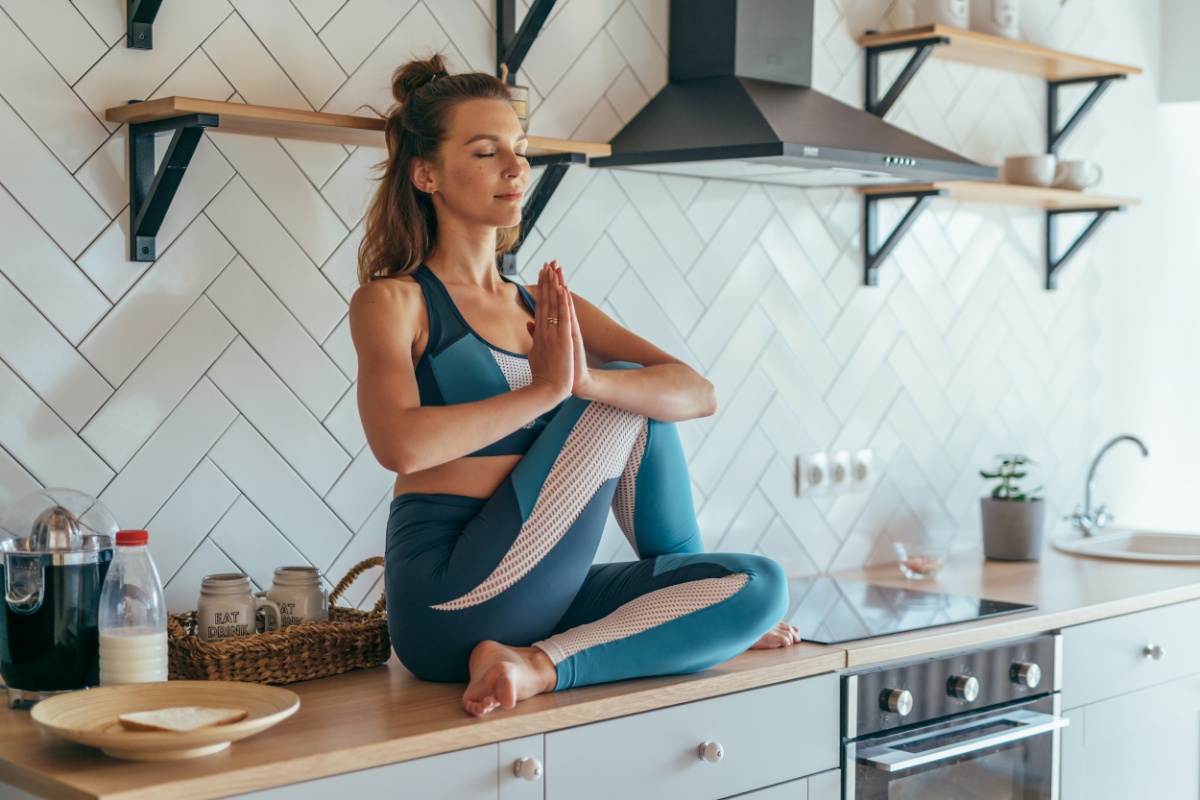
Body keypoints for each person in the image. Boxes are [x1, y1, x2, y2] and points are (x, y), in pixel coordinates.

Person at [349, 55, 800, 717]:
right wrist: (550, 390)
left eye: (520, 150)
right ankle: (540, 657)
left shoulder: (546, 308)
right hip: (448, 597)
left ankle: (551, 658)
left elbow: (696, 391)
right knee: (621, 386)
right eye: (486, 151)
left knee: (760, 585)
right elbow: (400, 446)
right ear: (426, 174)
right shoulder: (395, 301)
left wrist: (582, 380)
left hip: (535, 594)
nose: (515, 168)